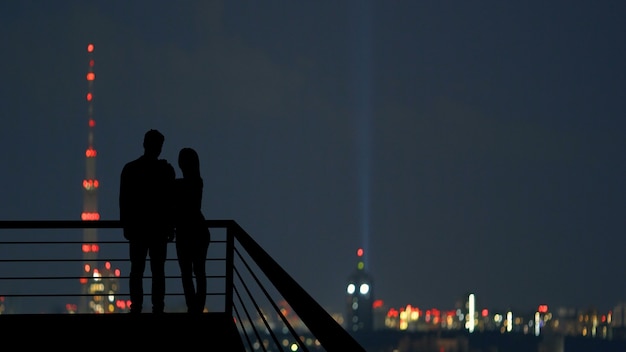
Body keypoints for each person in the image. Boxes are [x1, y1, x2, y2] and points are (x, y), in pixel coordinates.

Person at [119, 129, 175, 314]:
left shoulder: (130, 169)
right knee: (158, 271)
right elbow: (170, 202)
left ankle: (136, 307)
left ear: (144, 144)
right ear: (160, 148)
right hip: (158, 228)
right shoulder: (166, 171)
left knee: (136, 270)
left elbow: (124, 201)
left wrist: (126, 225)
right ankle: (158, 307)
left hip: (137, 228)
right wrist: (170, 226)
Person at [173, 147, 211, 313]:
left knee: (187, 273)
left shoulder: (180, 185)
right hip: (199, 231)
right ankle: (198, 308)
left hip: (184, 233)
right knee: (199, 272)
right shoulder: (197, 181)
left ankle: (193, 308)